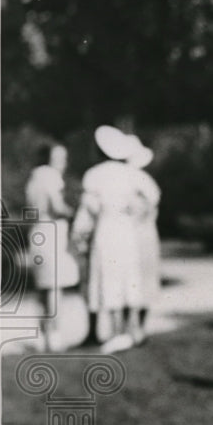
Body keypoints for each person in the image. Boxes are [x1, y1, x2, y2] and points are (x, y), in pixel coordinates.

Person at [71, 125, 142, 354]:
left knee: (109, 277)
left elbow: (88, 209)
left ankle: (115, 332)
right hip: (127, 231)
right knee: (126, 276)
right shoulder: (129, 173)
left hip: (107, 230)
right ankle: (127, 330)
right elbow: (139, 205)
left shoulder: (95, 175)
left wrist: (79, 235)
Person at [24, 142, 80, 352]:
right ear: (49, 159)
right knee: (54, 288)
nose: (63, 163)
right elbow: (56, 206)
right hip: (52, 232)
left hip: (37, 232)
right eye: (59, 158)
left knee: (43, 287)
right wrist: (73, 212)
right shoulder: (51, 176)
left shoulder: (34, 177)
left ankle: (44, 335)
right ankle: (54, 335)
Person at [126, 134, 162, 346]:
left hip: (141, 232)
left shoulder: (141, 180)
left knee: (141, 280)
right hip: (140, 233)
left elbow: (151, 205)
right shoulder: (140, 179)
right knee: (139, 280)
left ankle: (135, 327)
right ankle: (135, 327)